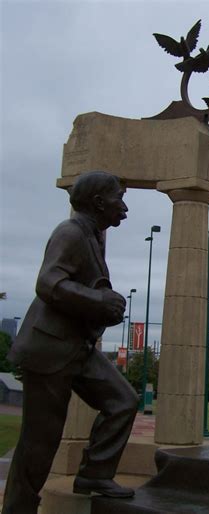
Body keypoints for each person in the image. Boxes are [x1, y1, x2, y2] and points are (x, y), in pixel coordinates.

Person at [2, 171, 139, 514]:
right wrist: (99, 303)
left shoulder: (91, 236)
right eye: (117, 199)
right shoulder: (71, 232)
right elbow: (48, 282)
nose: (123, 208)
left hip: (75, 347)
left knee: (122, 401)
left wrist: (103, 304)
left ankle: (94, 475)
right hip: (49, 350)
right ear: (97, 203)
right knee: (40, 442)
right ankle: (18, 509)